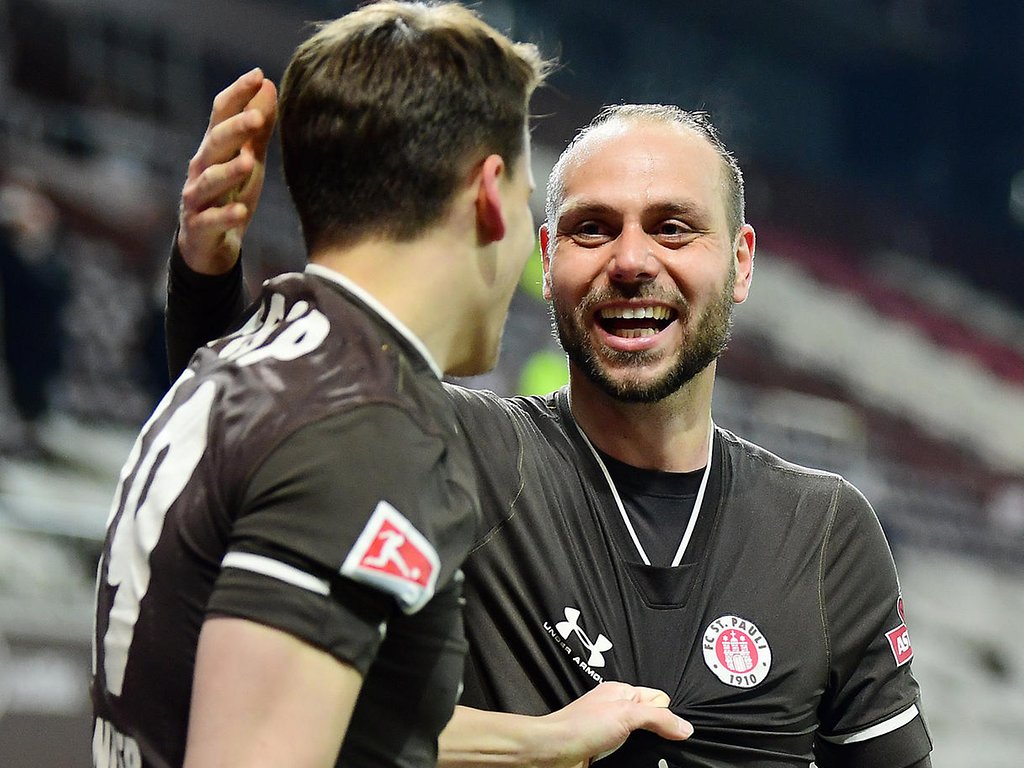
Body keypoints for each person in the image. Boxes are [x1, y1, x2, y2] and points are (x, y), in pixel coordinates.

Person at [167, 76, 934, 766]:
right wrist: (207, 270)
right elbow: (246, 435)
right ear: (546, 256)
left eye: (673, 228)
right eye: (593, 229)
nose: (630, 260)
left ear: (740, 263)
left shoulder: (826, 531)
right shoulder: (451, 450)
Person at [91, 4, 689, 767]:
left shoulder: (251, 357)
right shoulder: (359, 433)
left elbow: (322, 708)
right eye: (527, 199)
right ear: (488, 192)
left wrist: (540, 742)